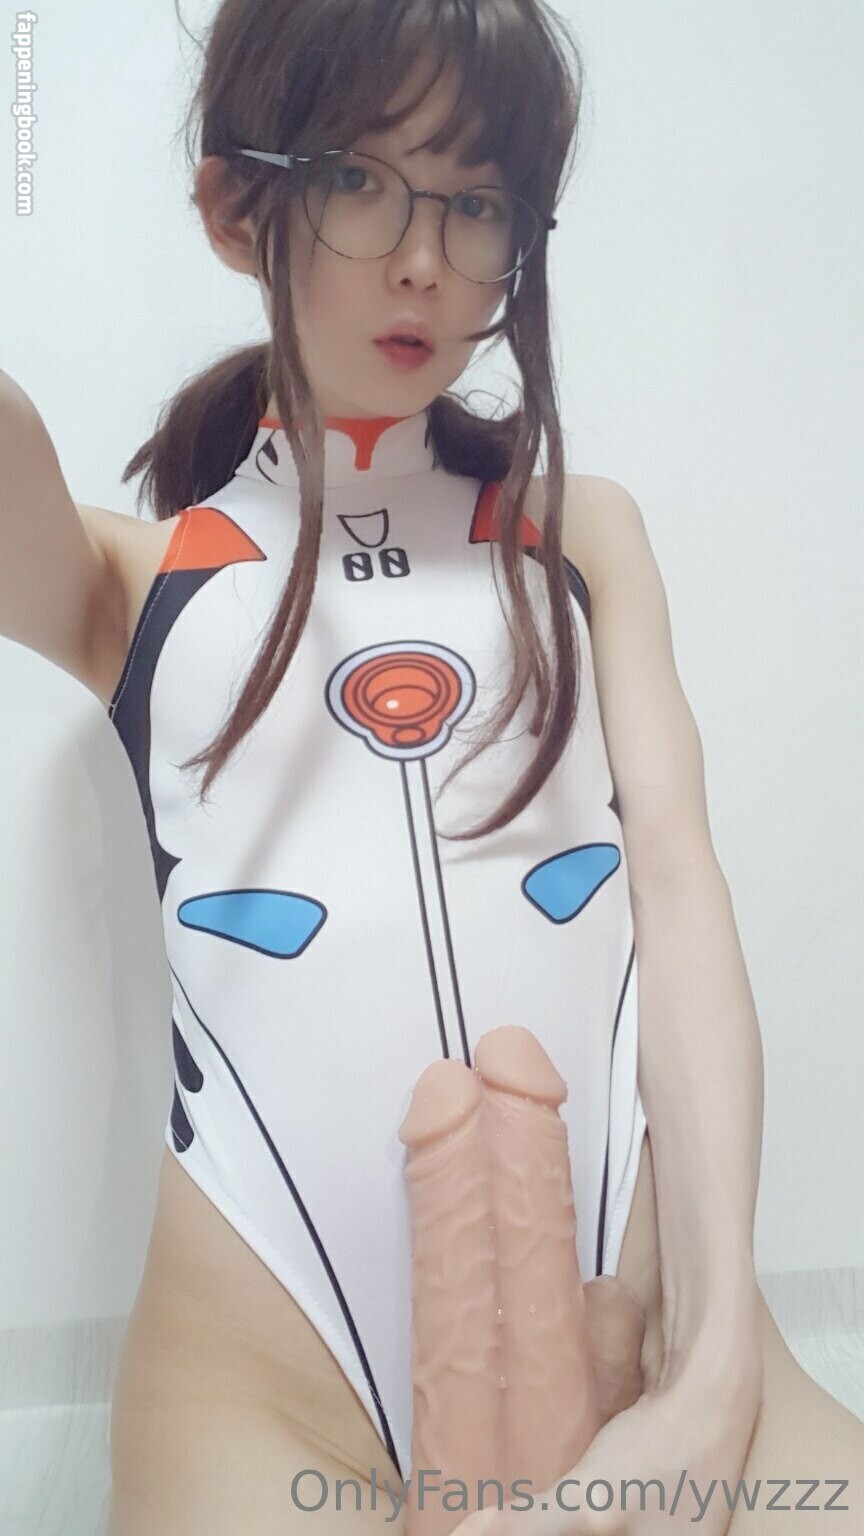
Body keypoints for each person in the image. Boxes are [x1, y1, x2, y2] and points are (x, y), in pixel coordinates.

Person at [1, 2, 860, 1532]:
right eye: (357, 180)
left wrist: (713, 1369)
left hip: (641, 1324)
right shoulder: (140, 582)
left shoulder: (583, 537)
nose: (425, 259)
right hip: (265, 1379)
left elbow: (681, 898)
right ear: (233, 207)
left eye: (477, 202)